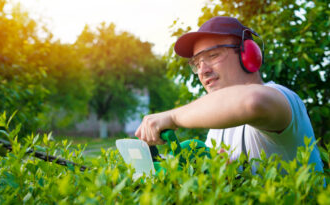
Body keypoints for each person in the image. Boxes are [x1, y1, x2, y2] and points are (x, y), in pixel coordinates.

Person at [135, 16, 323, 172]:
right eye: (197, 63)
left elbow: (252, 101)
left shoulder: (281, 99)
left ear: (248, 54)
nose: (203, 71)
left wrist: (173, 117)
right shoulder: (219, 128)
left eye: (213, 55)